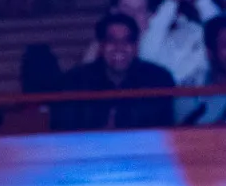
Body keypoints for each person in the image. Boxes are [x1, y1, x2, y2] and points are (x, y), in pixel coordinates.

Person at [49, 12, 177, 130]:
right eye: (111, 41)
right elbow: (64, 133)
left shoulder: (158, 79)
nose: (119, 47)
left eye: (127, 41)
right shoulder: (74, 82)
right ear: (101, 46)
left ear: (136, 46)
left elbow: (165, 131)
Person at [140, 0, 222, 85]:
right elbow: (147, 54)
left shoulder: (221, 20)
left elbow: (221, 34)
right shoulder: (163, 29)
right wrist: (173, 0)